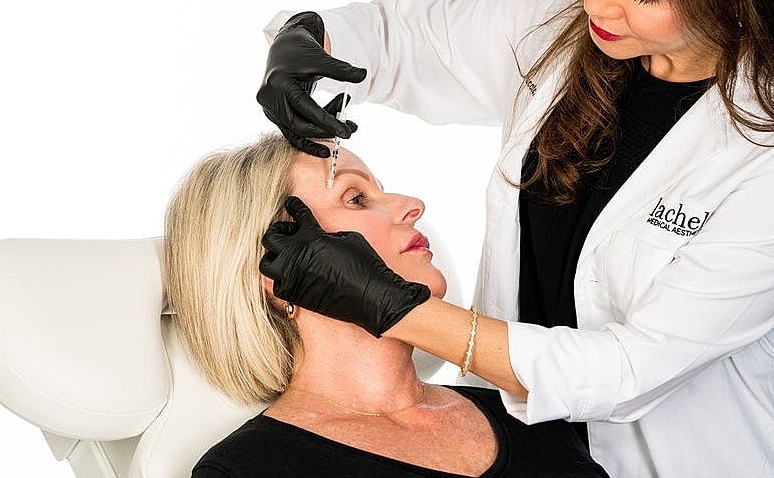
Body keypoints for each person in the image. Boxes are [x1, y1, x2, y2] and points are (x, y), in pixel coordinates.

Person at [253, 0, 774, 476]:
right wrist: (310, 42)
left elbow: (629, 369)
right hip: (523, 452)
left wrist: (391, 306)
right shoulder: (568, 10)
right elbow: (408, 40)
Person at [162, 132, 609, 477]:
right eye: (356, 198)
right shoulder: (248, 469)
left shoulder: (527, 413)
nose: (413, 205)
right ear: (280, 269)